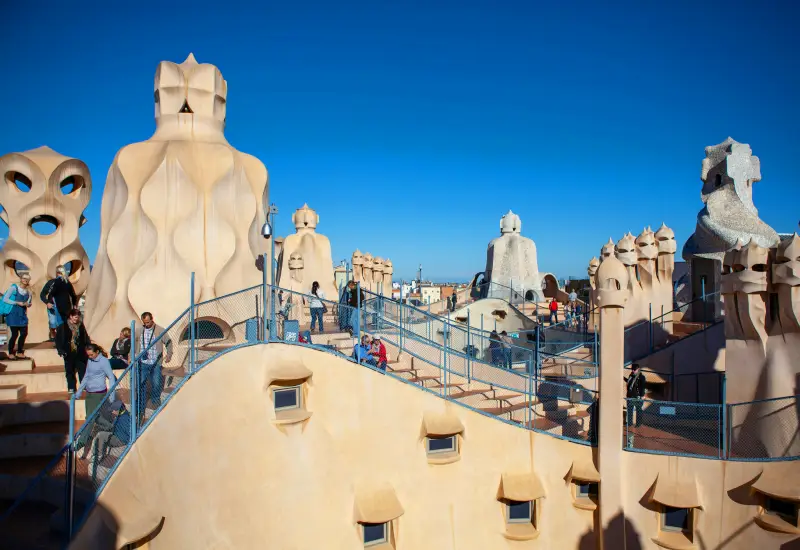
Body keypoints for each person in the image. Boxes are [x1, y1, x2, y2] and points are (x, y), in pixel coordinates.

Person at [74, 343, 117, 454]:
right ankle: (110, 426)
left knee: (90, 417)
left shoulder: (104, 361)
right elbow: (86, 376)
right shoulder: (90, 361)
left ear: (97, 352)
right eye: (88, 355)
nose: (90, 357)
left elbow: (111, 377)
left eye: (91, 354)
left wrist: (112, 395)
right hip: (89, 393)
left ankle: (81, 442)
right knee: (94, 416)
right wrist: (79, 392)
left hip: (99, 393)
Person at [136, 312, 173, 422]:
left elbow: (169, 342)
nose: (146, 324)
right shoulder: (139, 331)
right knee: (141, 383)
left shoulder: (160, 330)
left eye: (148, 322)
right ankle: (141, 405)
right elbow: (134, 343)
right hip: (143, 362)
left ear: (152, 319)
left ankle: (155, 401)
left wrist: (169, 354)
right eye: (144, 322)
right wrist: (131, 356)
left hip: (156, 362)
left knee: (156, 383)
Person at [56, 309, 90, 393]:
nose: (76, 319)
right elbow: (58, 340)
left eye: (77, 317)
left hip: (80, 352)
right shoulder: (63, 326)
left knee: (82, 370)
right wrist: (61, 350)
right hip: (68, 352)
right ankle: (71, 387)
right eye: (75, 317)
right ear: (70, 316)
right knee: (69, 370)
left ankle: (84, 386)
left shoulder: (81, 326)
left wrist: (87, 348)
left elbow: (85, 337)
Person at [4, 273, 32, 359]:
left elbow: (30, 303)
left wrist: (28, 304)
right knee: (14, 334)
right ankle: (11, 352)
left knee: (24, 333)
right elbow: (5, 299)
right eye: (24, 278)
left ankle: (20, 351)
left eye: (27, 279)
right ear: (21, 279)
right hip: (13, 314)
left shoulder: (28, 292)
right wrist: (16, 302)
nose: (25, 280)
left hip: (22, 314)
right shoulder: (14, 288)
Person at [625, 363, 647, 445]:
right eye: (632, 369)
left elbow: (642, 387)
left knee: (638, 410)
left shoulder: (641, 377)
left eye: (634, 369)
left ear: (638, 369)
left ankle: (638, 423)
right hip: (630, 396)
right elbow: (629, 382)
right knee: (629, 410)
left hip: (637, 397)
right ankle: (630, 423)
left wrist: (641, 396)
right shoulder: (631, 375)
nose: (633, 371)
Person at [40, 275, 61, 340]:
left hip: (62, 307)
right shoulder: (51, 282)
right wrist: (47, 302)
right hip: (52, 306)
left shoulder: (66, 283)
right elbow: (42, 294)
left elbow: (71, 294)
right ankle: (52, 334)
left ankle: (58, 339)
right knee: (52, 323)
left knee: (60, 324)